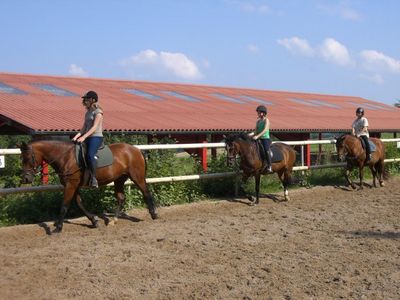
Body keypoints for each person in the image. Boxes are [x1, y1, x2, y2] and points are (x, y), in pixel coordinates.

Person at [72, 91, 104, 187]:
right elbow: (84, 128)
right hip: (87, 136)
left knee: (90, 155)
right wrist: (76, 137)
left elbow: (94, 127)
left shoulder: (98, 112)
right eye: (84, 99)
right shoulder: (88, 112)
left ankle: (94, 178)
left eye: (87, 98)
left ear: (93, 100)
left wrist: (84, 137)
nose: (85, 100)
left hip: (96, 137)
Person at [248, 105, 272, 173]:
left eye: (259, 112)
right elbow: (255, 131)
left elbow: (265, 130)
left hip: (265, 139)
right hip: (258, 138)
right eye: (258, 112)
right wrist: (249, 135)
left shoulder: (266, 120)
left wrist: (257, 136)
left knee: (266, 151)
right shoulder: (258, 121)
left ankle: (270, 166)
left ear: (263, 113)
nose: (258, 113)